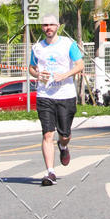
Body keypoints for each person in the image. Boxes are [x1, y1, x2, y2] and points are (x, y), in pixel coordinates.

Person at [29, 14, 84, 186]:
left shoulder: (68, 44)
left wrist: (64, 75)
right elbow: (31, 68)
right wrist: (38, 74)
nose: (48, 28)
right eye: (45, 25)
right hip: (44, 95)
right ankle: (50, 172)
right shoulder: (37, 47)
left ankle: (63, 146)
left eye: (51, 24)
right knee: (47, 134)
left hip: (65, 95)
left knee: (65, 134)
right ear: (42, 27)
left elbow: (80, 65)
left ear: (58, 26)